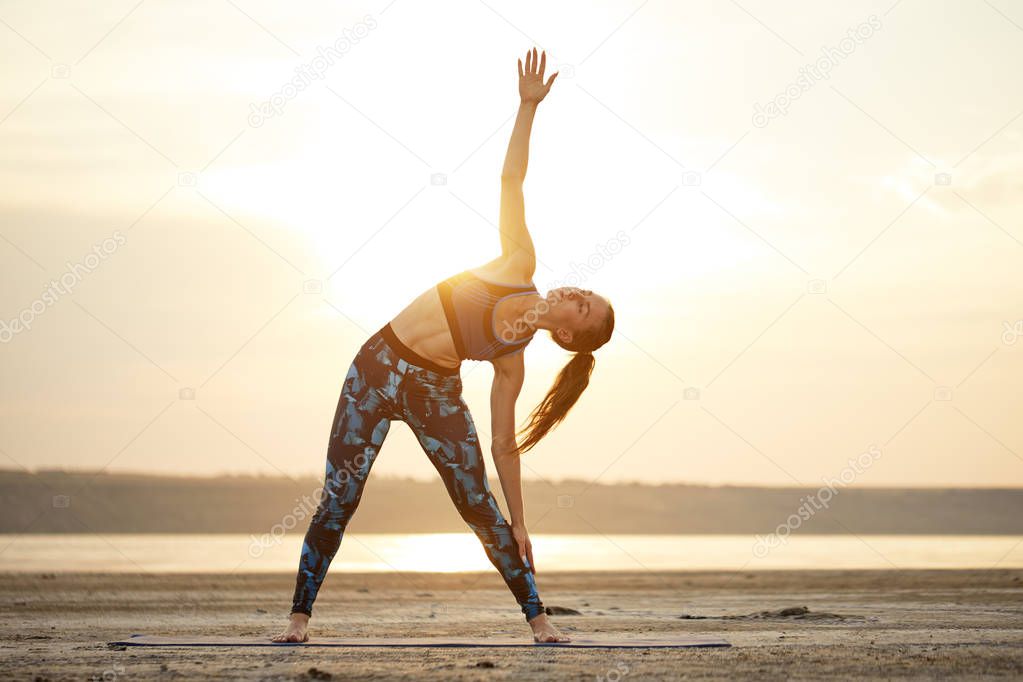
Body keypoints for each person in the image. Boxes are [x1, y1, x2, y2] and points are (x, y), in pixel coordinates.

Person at [272, 48, 614, 644]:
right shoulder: (517, 265)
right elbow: (511, 180)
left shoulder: (512, 363)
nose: (576, 292)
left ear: (565, 333)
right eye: (585, 291)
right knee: (340, 499)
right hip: (376, 367)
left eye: (582, 306)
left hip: (433, 391)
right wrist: (527, 108)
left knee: (478, 505)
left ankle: (539, 620)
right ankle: (299, 618)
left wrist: (523, 522)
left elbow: (505, 446)